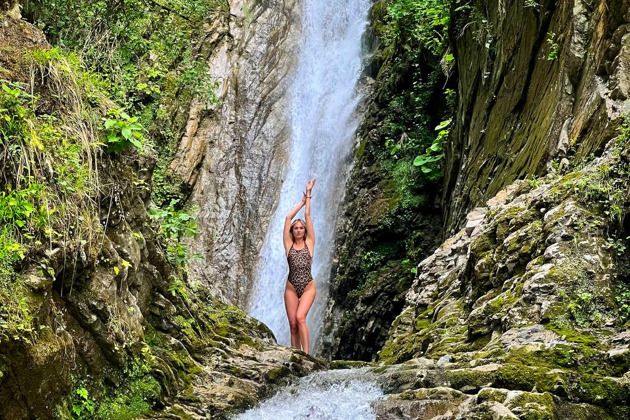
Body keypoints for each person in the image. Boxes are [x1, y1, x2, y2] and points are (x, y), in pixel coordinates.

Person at [283, 179, 316, 354]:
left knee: (300, 317)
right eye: (295, 228)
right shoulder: (288, 244)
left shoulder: (309, 243)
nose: (298, 230)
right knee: (293, 325)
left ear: (304, 231)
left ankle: (307, 355)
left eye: (301, 228)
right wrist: (301, 202)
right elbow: (288, 218)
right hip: (291, 287)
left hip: (308, 286)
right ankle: (295, 355)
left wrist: (308, 195)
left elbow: (308, 216)